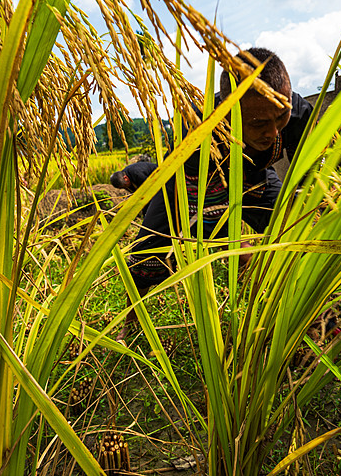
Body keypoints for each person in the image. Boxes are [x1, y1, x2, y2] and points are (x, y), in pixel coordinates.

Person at [119, 47, 313, 340]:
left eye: (280, 117)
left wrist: (300, 213)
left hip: (253, 178)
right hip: (187, 186)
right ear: (229, 114)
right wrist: (240, 249)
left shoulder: (296, 112)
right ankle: (130, 325)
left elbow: (309, 175)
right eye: (259, 123)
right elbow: (205, 218)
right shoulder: (199, 133)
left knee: (293, 230)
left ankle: (297, 311)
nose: (273, 132)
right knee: (146, 255)